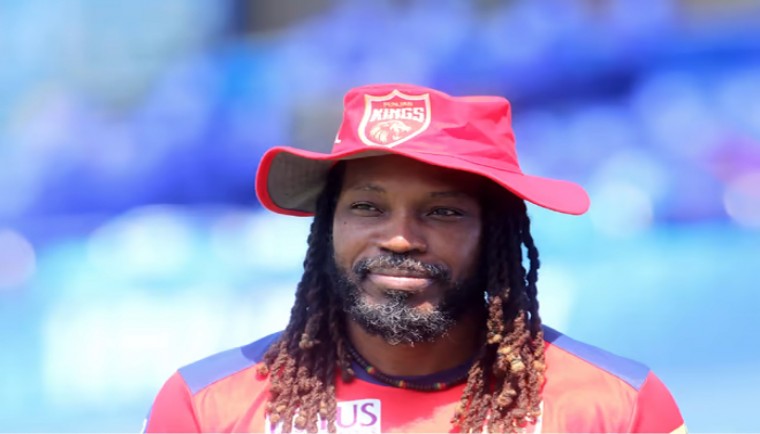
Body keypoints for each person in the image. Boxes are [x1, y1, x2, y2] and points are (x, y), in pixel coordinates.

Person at [143, 83, 686, 433]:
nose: (401, 240)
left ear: (495, 233)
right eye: (366, 207)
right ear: (328, 223)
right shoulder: (206, 407)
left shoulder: (618, 408)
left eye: (443, 212)